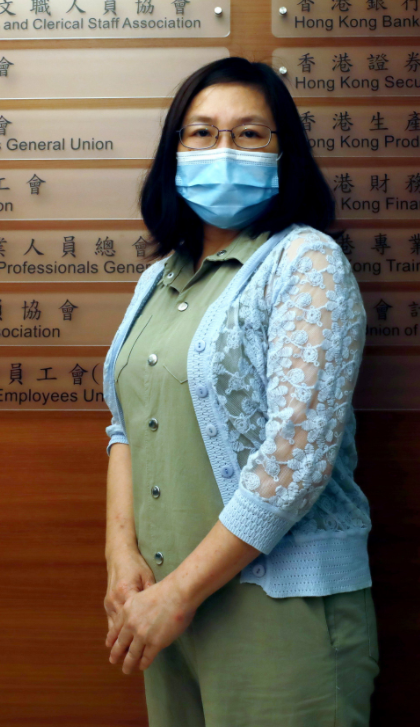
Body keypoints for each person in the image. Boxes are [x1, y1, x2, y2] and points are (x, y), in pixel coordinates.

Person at [101, 57, 377, 725]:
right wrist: (120, 555)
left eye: (249, 133)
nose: (222, 149)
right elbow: (124, 428)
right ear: (174, 151)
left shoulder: (305, 261)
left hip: (277, 609)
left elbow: (295, 458)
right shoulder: (158, 278)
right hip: (161, 610)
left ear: (285, 153)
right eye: (201, 133)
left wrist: (179, 594)